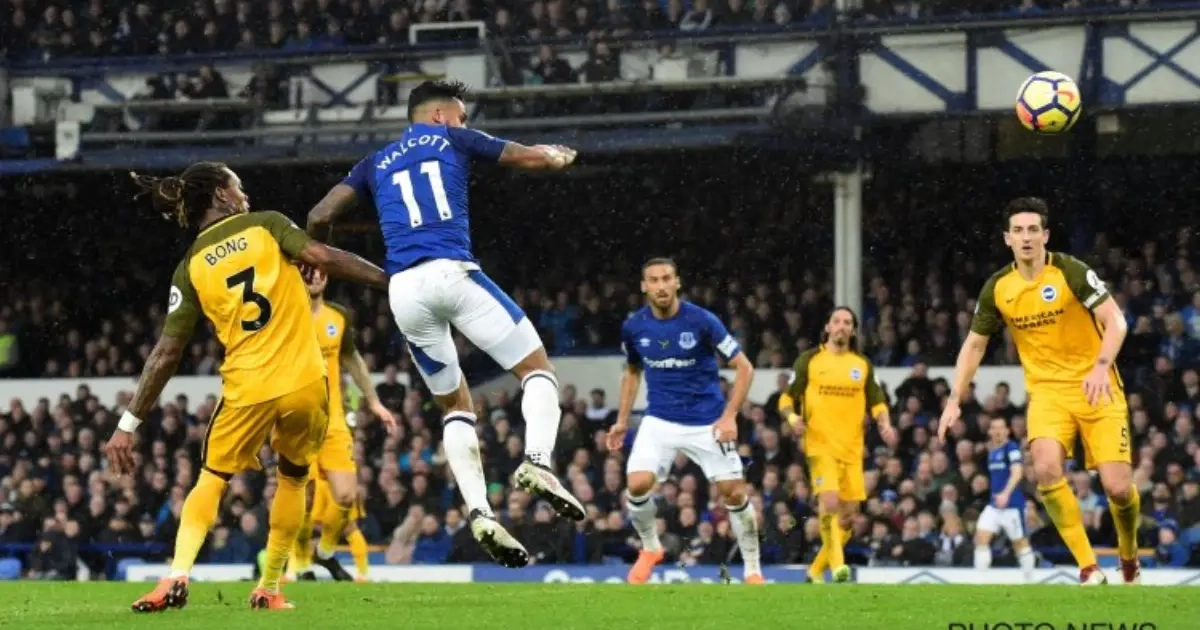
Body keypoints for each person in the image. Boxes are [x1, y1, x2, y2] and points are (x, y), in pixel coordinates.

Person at [305, 79, 584, 568]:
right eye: (461, 115)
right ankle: (538, 462)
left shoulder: (375, 162)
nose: (464, 123)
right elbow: (522, 156)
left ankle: (479, 512)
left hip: (404, 292)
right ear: (439, 116)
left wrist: (319, 258)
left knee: (455, 406)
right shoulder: (452, 138)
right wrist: (555, 157)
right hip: (452, 272)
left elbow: (319, 213)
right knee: (537, 371)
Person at [103, 162, 389, 611]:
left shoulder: (190, 267)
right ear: (221, 194)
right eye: (238, 187)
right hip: (304, 381)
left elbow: (166, 352)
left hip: (248, 386)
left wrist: (127, 424)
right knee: (293, 478)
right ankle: (269, 587)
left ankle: (177, 574)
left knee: (212, 478)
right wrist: (390, 279)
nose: (245, 195)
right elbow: (324, 256)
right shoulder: (267, 224)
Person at [938, 197, 1140, 586]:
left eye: (1033, 230)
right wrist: (954, 400)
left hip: (1096, 387)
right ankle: (1088, 566)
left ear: (1045, 235)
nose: (1026, 237)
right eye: (1018, 230)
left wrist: (1101, 366)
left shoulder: (1070, 271)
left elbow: (1116, 320)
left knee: (1117, 488)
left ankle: (1128, 557)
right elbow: (975, 344)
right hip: (1047, 394)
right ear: (1007, 239)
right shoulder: (999, 287)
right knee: (1046, 469)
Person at [605, 258, 761, 584]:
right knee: (637, 484)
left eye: (666, 279)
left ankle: (752, 570)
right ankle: (651, 548)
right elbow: (632, 371)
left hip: (707, 421)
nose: (661, 286)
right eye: (654, 280)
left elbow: (744, 367)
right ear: (644, 286)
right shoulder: (634, 327)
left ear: (677, 282)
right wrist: (622, 420)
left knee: (733, 493)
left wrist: (729, 416)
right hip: (659, 419)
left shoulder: (702, 321)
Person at [287, 268, 398, 583]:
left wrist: (374, 401)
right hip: (297, 424)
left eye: (319, 272)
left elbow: (353, 359)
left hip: (333, 422)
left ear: (326, 278)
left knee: (346, 497)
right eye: (307, 272)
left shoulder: (338, 317)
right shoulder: (285, 315)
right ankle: (301, 561)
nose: (314, 278)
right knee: (303, 500)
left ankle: (324, 552)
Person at [780, 306, 896, 583]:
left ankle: (814, 571)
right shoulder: (809, 360)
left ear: (853, 330)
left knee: (847, 520)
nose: (841, 326)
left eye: (847, 322)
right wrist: (792, 417)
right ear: (828, 327)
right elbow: (786, 398)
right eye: (837, 321)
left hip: (852, 449)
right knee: (829, 501)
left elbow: (877, 401)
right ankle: (837, 565)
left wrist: (885, 423)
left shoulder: (862, 364)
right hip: (820, 445)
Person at [975, 416, 1037, 582]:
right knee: (981, 536)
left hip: (1012, 505)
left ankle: (1029, 580)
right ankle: (980, 581)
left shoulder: (1011, 448)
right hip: (994, 505)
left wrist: (1005, 493)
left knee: (1019, 543)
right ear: (989, 432)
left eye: (1000, 428)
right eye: (994, 428)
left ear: (1007, 431)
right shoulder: (991, 451)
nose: (997, 431)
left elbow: (1017, 472)